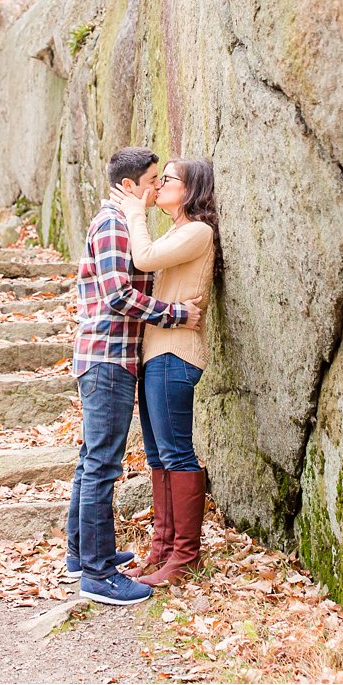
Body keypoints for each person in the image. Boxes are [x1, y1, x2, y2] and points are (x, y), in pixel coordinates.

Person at [66, 147, 203, 606]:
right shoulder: (112, 223)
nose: (156, 189)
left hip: (115, 355)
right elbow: (118, 296)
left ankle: (82, 555)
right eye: (151, 180)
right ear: (129, 186)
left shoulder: (125, 223)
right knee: (102, 463)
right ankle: (98, 576)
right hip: (108, 357)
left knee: (93, 459)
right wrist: (175, 314)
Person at [110, 158, 218, 586]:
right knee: (157, 456)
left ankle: (185, 556)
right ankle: (164, 547)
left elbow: (145, 257)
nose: (160, 186)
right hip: (155, 353)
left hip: (177, 355)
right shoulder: (178, 231)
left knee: (176, 454)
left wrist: (135, 212)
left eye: (168, 180)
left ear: (190, 189)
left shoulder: (198, 231)